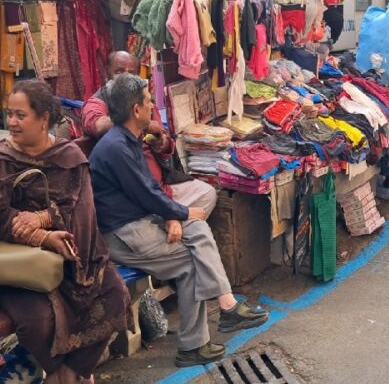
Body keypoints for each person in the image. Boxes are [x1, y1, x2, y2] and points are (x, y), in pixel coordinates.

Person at [89, 73, 269, 368]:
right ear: (136, 110)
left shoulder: (128, 140)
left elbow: (149, 190)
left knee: (197, 230)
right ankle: (206, 330)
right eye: (148, 102)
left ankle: (220, 315)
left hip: (142, 223)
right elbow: (146, 193)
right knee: (193, 260)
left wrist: (174, 216)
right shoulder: (117, 148)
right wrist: (179, 212)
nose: (152, 108)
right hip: (126, 235)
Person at [0, 80, 131, 384]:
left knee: (115, 295)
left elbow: (82, 213)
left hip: (75, 254)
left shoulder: (69, 157)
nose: (12, 123)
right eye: (10, 115)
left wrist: (46, 218)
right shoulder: (3, 160)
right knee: (37, 322)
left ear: (43, 119)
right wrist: (43, 237)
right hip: (21, 265)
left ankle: (71, 373)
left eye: (21, 115)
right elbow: (3, 218)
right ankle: (60, 374)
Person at [82, 51, 217, 217]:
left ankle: (173, 223)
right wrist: (138, 122)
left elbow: (163, 136)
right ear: (106, 73)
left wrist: (162, 143)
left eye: (130, 73)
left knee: (208, 194)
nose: (124, 77)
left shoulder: (144, 101)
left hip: (160, 186)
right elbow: (97, 124)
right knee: (184, 220)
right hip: (133, 194)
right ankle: (171, 222)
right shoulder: (98, 101)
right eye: (118, 72)